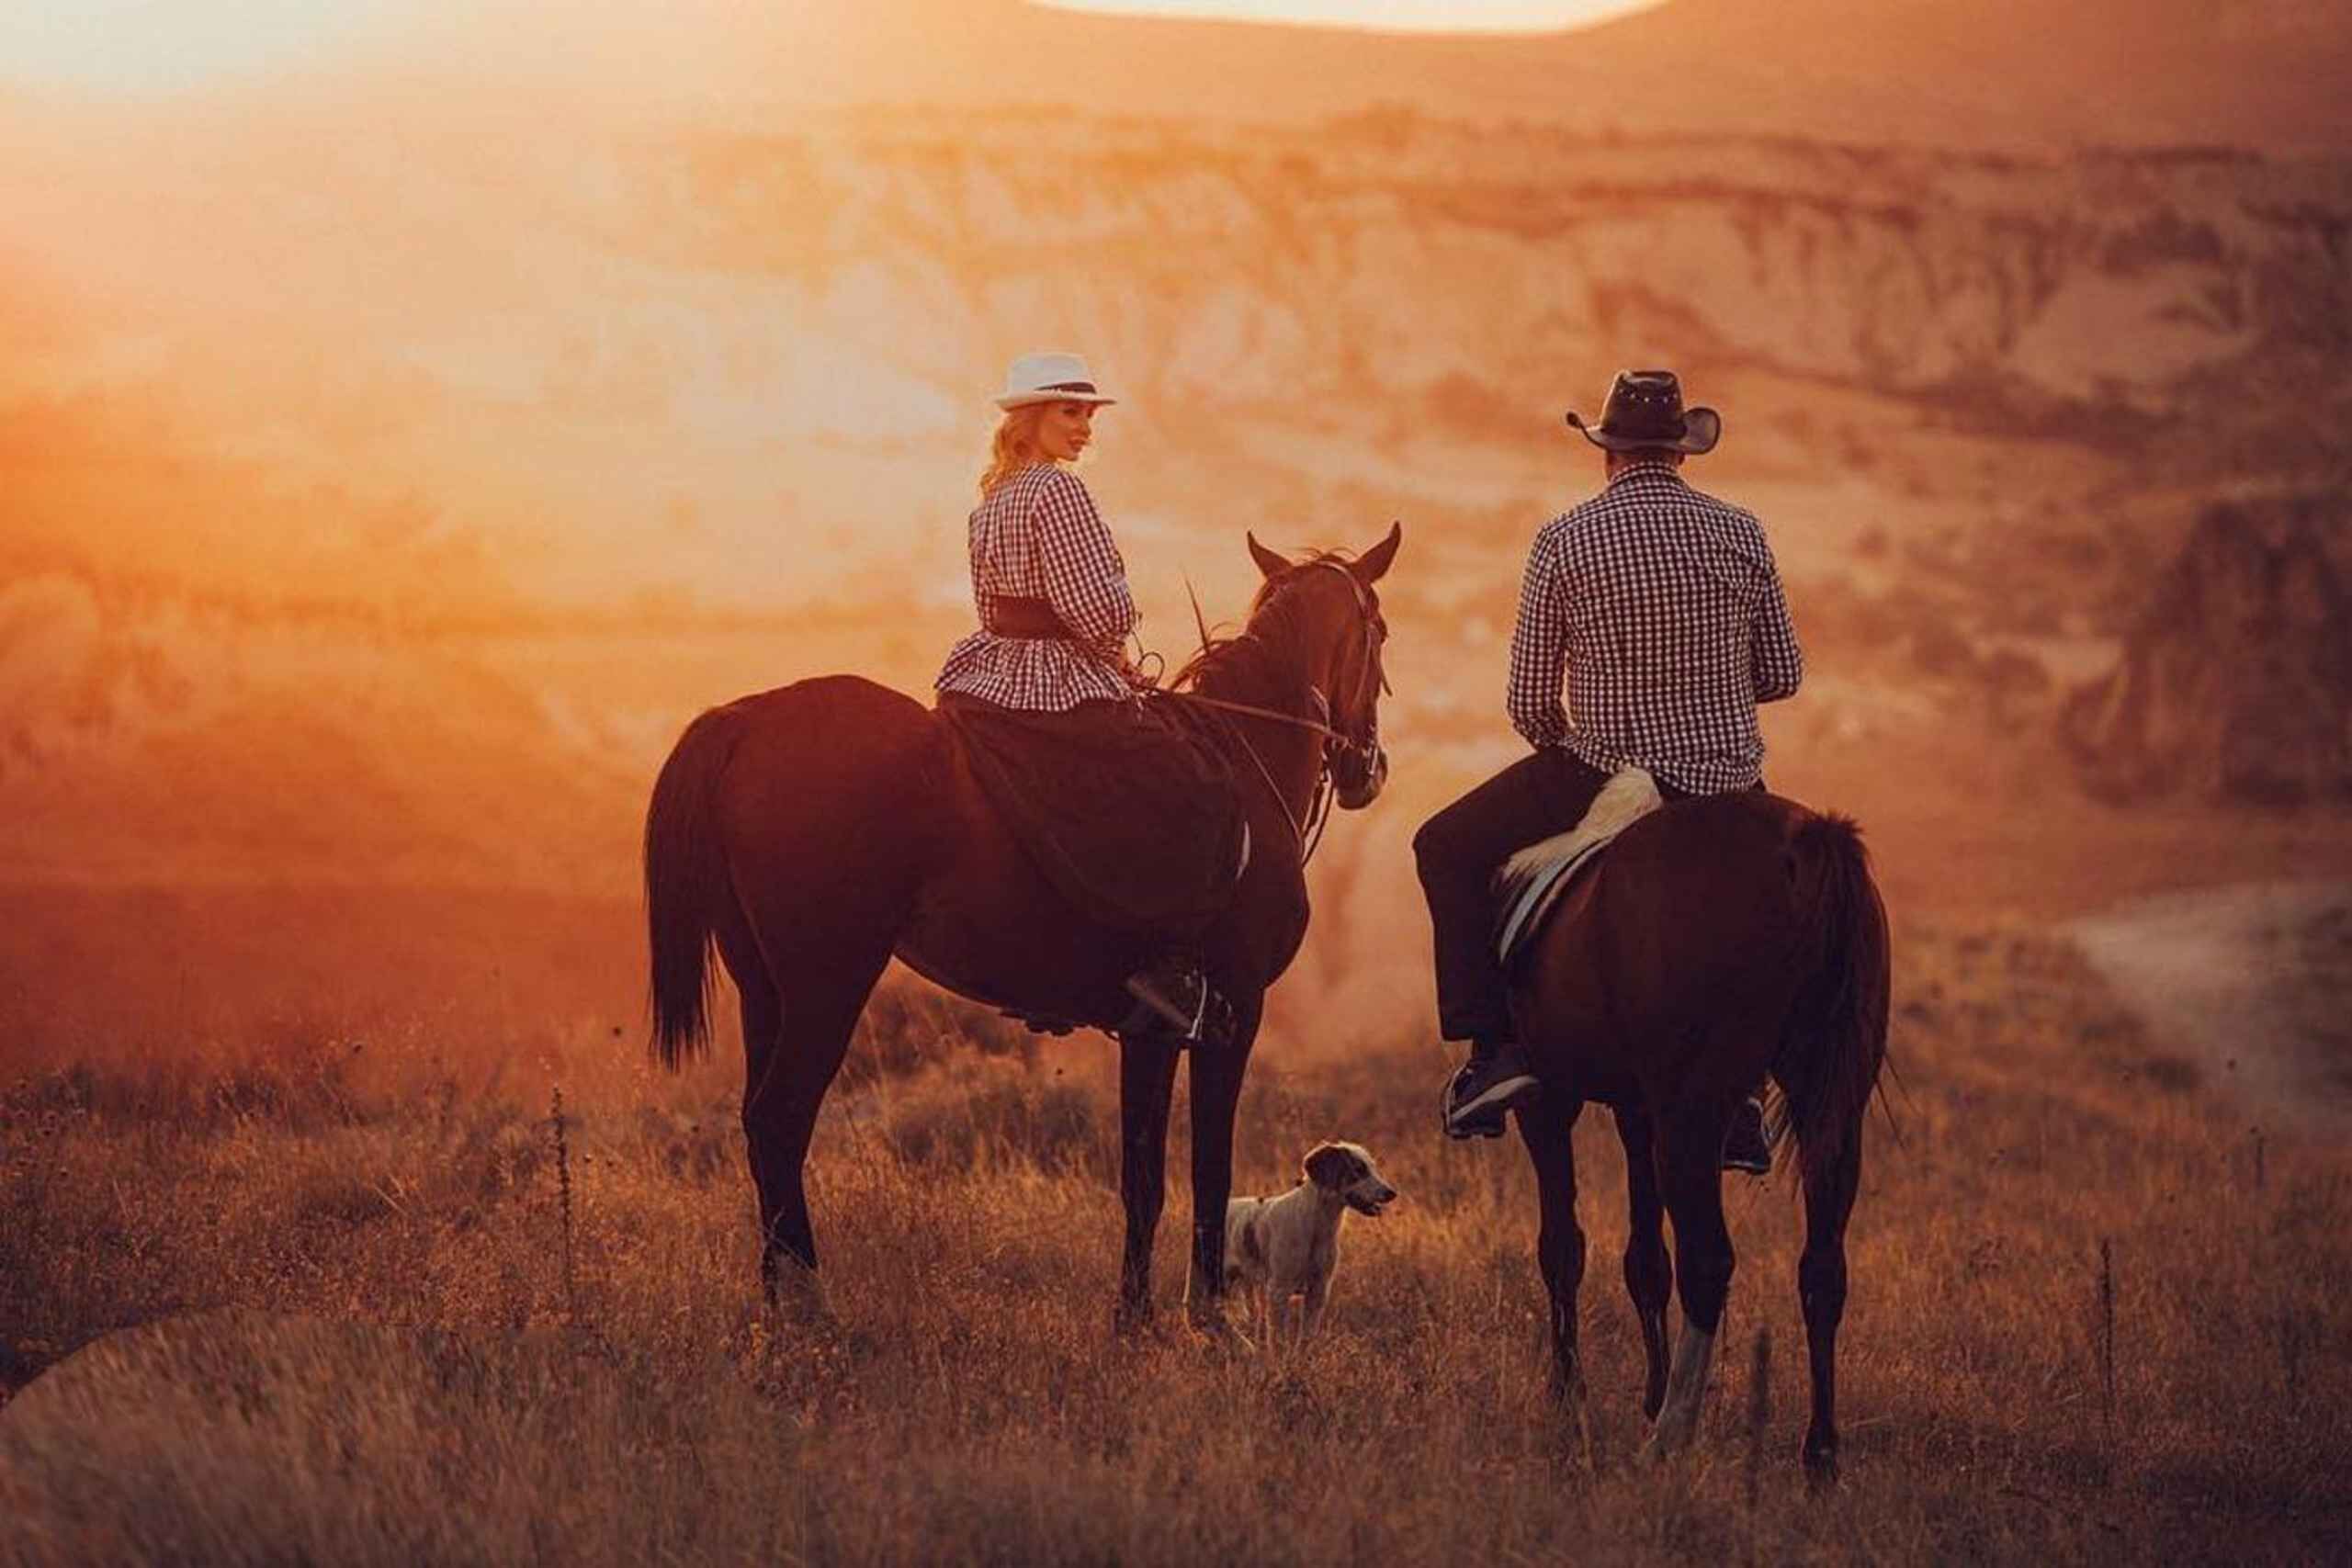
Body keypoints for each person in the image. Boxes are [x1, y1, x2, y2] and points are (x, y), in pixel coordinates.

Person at [1414, 370, 1803, 1166]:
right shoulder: (1744, 530)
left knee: (1443, 846)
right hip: (1729, 781)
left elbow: (1527, 700)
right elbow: (1783, 673)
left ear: (1608, 454)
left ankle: (1492, 1054)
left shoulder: (1565, 537)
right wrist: (1709, 694)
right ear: (1681, 454)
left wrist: (1581, 734)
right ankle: (1745, 1097)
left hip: (1604, 775)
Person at [934, 351, 1241, 1045]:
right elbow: (1098, 614)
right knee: (1196, 785)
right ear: (1031, 417)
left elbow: (989, 607)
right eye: (1071, 413)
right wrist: (1123, 626)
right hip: (1058, 679)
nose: (1085, 429)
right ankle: (1171, 964)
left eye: (1089, 415)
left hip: (993, 675)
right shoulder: (1059, 492)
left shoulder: (995, 497)